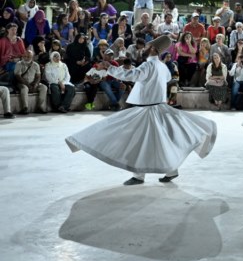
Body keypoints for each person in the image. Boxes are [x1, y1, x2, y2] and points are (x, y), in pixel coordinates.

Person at [65, 36, 217, 185]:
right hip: (159, 108)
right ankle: (170, 170)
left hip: (147, 110)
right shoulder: (162, 66)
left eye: (147, 45)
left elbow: (132, 75)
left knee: (136, 140)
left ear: (152, 48)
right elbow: (165, 78)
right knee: (160, 141)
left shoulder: (148, 66)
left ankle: (139, 176)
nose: (144, 48)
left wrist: (109, 67)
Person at [14, 47, 47, 114]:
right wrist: (28, 85)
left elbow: (38, 76)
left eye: (28, 57)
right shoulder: (19, 64)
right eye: (25, 56)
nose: (26, 58)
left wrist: (35, 84)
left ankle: (40, 107)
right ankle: (25, 108)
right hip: (22, 83)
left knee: (44, 87)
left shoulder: (36, 65)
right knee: (24, 88)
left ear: (32, 57)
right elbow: (18, 77)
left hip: (32, 83)